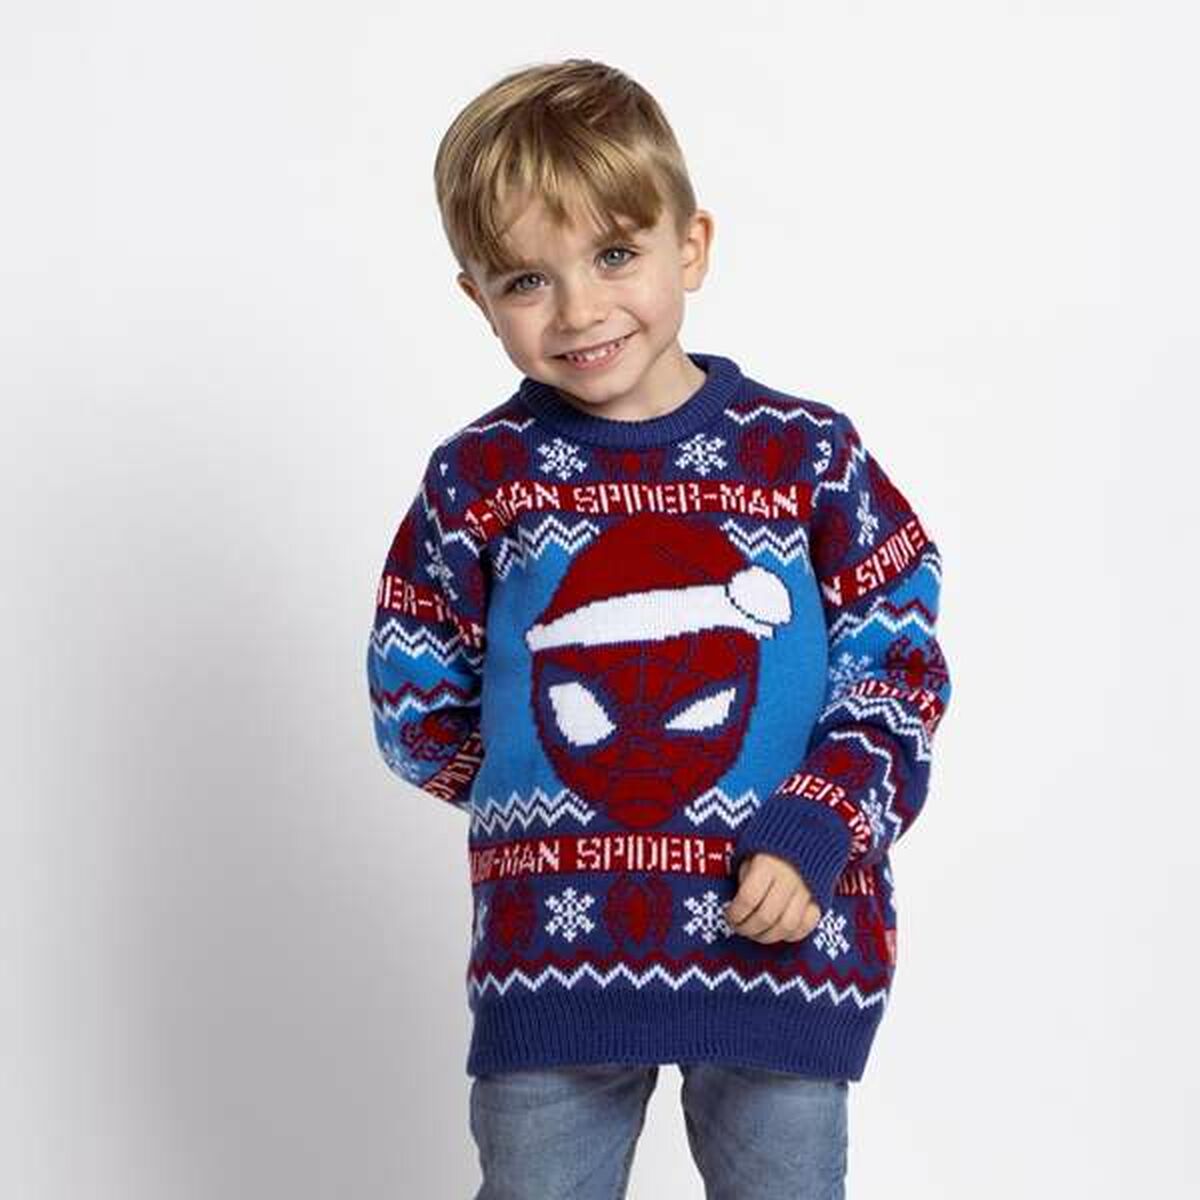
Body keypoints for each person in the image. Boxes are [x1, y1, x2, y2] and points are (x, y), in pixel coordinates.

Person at [366, 57, 953, 1200]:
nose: (580, 310)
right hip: (554, 958)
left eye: (615, 255)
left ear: (691, 245)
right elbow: (415, 700)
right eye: (526, 279)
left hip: (785, 945)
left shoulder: (804, 457)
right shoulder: (480, 479)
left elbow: (899, 663)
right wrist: (549, 792)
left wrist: (821, 820)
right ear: (476, 299)